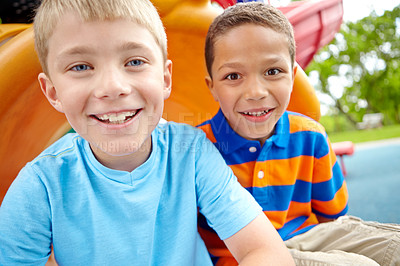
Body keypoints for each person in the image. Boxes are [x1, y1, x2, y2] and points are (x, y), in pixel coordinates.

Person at [0, 0, 296, 265]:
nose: (113, 87)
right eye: (81, 66)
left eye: (134, 62)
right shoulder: (40, 185)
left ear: (166, 78)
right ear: (52, 92)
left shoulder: (191, 152)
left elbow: (264, 250)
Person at [197, 2, 400, 265]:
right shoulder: (198, 148)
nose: (256, 92)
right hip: (245, 255)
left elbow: (334, 216)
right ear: (212, 87)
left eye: (273, 71)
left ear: (293, 77)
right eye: (234, 76)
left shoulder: (311, 136)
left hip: (312, 236)